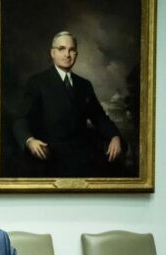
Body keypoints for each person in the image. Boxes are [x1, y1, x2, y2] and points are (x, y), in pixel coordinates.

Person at [12, 31, 123, 177]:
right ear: (52, 53)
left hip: (82, 157)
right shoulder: (37, 82)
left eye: (72, 50)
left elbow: (99, 117)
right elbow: (21, 118)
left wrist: (114, 136)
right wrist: (29, 141)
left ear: (76, 54)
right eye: (61, 49)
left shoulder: (84, 85)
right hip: (50, 157)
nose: (67, 55)